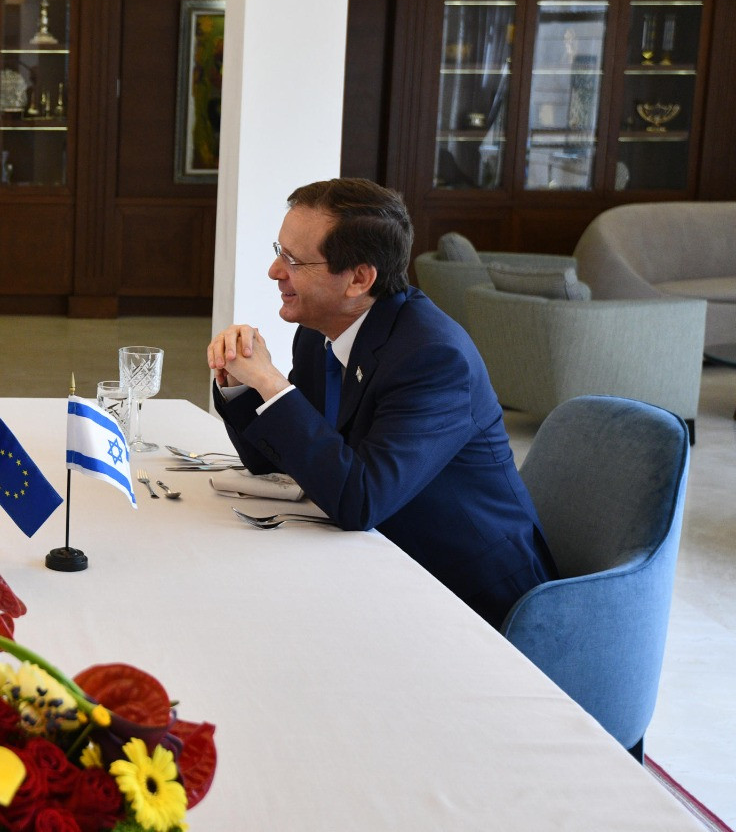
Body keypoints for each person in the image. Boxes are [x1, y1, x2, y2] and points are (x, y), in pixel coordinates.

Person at [207, 178, 554, 626]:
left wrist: (273, 385)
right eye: (280, 251)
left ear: (359, 278)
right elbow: (274, 461)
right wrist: (241, 382)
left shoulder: (433, 358)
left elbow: (361, 501)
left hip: (471, 599)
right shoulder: (317, 337)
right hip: (377, 567)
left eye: (293, 260)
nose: (275, 271)